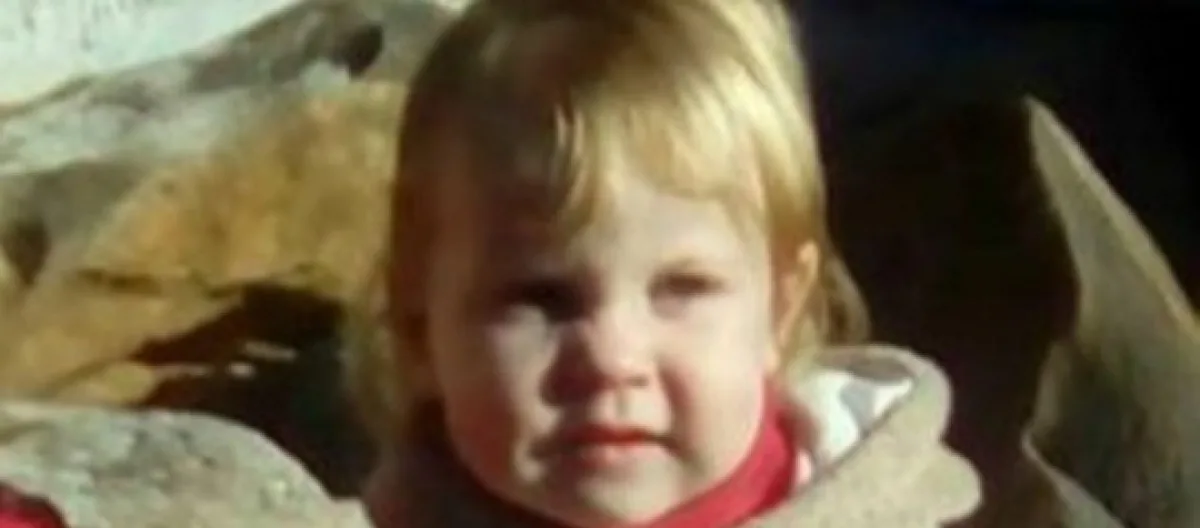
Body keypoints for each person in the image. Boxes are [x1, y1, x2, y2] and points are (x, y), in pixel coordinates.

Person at [350, 0, 980, 526]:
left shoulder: (888, 508)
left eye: (683, 287)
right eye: (542, 296)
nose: (611, 359)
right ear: (419, 324)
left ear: (780, 310)